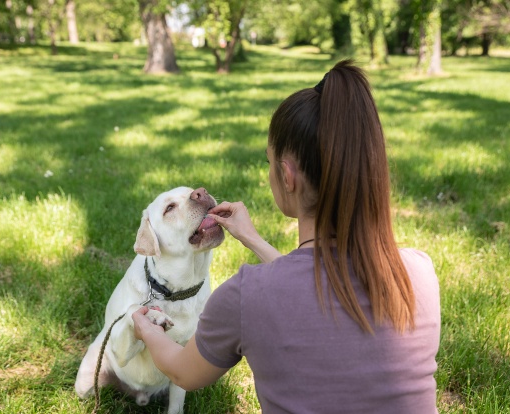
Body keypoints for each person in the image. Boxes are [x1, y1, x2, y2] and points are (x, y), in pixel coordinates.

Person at [132, 59, 441, 413]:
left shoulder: (247, 296)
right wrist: (254, 239)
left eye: (268, 162)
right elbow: (312, 294)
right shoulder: (418, 274)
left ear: (287, 176)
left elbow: (182, 372)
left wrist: (145, 329)